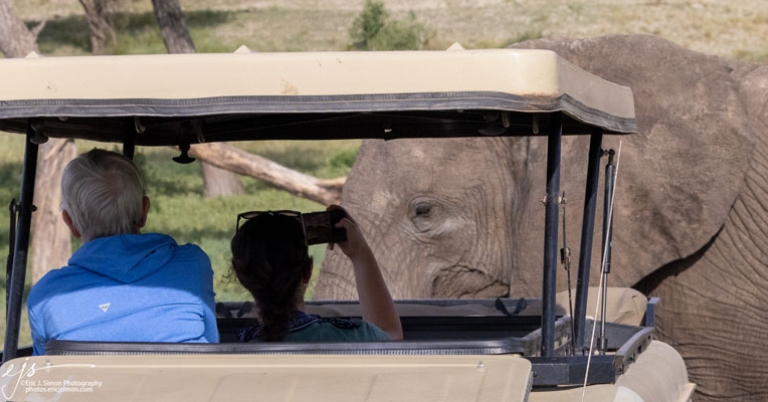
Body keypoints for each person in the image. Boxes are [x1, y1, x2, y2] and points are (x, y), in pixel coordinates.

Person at [27, 149, 219, 355]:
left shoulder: (44, 296)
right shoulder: (192, 265)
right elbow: (211, 344)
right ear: (144, 211)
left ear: (70, 223)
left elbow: (43, 376)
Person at [230, 206, 403, 342]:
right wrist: (360, 255)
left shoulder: (232, 354)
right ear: (308, 270)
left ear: (242, 277)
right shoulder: (352, 337)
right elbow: (391, 337)